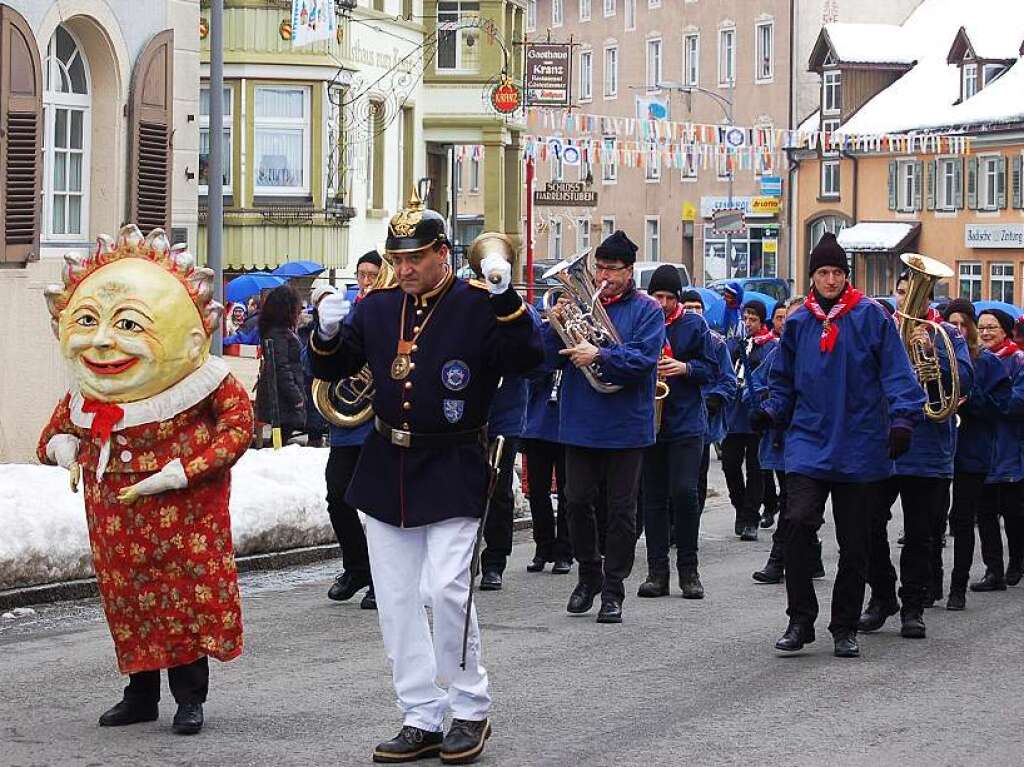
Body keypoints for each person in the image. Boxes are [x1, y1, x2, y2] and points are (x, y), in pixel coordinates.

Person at [310, 201, 543, 765]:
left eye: (415, 257)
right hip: (387, 466)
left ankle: (469, 706)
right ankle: (420, 713)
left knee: (445, 589)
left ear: (443, 253)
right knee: (394, 598)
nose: (405, 268)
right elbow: (333, 368)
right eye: (398, 258)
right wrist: (326, 330)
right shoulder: (381, 305)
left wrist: (509, 300)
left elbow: (530, 358)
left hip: (456, 464)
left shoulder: (476, 305)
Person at [37, 225, 253, 735]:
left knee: (182, 597)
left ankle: (189, 696)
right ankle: (139, 693)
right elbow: (53, 433)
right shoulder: (87, 396)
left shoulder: (205, 382)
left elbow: (239, 428)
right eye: (87, 321)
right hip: (112, 513)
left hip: (182, 512)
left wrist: (183, 471)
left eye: (129, 324)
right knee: (127, 600)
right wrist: (68, 450)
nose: (104, 340)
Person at [756, 233, 924, 659]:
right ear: (813, 276)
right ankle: (799, 620)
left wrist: (903, 418)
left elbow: (897, 373)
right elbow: (783, 378)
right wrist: (772, 411)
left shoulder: (872, 317)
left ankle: (844, 625)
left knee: (856, 541)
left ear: (845, 276)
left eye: (837, 272)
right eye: (823, 272)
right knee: (795, 524)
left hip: (860, 443)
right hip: (810, 440)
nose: (830, 280)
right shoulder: (797, 322)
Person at [544, 230, 664, 624]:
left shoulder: (647, 310)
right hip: (581, 422)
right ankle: (588, 573)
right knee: (576, 501)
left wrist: (601, 353)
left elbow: (644, 359)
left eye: (612, 269)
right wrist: (555, 323)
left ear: (629, 272)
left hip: (627, 426)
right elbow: (548, 358)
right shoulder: (580, 303)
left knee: (621, 511)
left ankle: (614, 589)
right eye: (599, 268)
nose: (603, 276)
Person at [859, 269, 973, 640]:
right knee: (868, 524)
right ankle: (882, 594)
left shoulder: (948, 335)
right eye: (902, 292)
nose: (907, 302)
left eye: (916, 295)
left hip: (929, 450)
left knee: (921, 535)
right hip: (885, 445)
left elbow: (965, 379)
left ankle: (913, 606)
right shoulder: (880, 329)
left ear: (928, 300)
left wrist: (933, 358)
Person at [636, 266, 717, 599]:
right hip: (650, 423)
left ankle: (689, 570)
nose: (664, 303)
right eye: (658, 297)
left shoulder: (694, 325)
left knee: (684, 493)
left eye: (670, 297)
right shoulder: (644, 322)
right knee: (652, 498)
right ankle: (657, 573)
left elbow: (712, 369)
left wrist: (685, 368)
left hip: (686, 423)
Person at [317, 254, 382, 609]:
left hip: (374, 426)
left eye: (373, 274)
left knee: (374, 503)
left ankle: (379, 578)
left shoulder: (383, 311)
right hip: (346, 425)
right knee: (337, 497)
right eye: (362, 274)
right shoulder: (347, 308)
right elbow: (317, 360)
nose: (367, 280)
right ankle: (358, 566)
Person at [751, 298, 825, 585]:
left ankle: (779, 559)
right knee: (792, 501)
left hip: (809, 434)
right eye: (786, 319)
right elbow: (759, 385)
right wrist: (763, 406)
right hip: (783, 436)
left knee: (795, 502)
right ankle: (803, 556)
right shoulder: (776, 353)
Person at [942, 301, 1007, 610]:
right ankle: (929, 583)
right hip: (939, 450)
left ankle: (958, 587)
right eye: (950, 323)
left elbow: (999, 409)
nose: (957, 329)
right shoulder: (937, 357)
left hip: (972, 450)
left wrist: (969, 398)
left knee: (963, 520)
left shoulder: (989, 363)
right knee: (931, 521)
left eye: (962, 323)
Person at [971, 309, 1024, 593]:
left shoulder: (1018, 361)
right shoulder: (975, 359)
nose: (986, 332)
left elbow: (1015, 405)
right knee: (986, 513)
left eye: (992, 327)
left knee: (1014, 512)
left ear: (1005, 331)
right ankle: (994, 571)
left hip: (1011, 449)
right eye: (982, 327)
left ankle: (1017, 560)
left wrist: (979, 401)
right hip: (982, 451)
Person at [722, 299, 778, 541]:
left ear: (762, 321)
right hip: (734, 416)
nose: (748, 323)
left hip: (755, 415)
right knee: (730, 464)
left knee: (756, 469)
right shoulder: (737, 343)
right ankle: (739, 506)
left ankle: (751, 517)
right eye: (746, 319)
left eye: (753, 319)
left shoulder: (769, 347)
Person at [681, 291, 738, 515]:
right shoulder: (667, 334)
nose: (694, 312)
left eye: (697, 307)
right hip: (672, 420)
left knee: (696, 480)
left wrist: (714, 399)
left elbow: (728, 380)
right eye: (688, 307)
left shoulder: (715, 342)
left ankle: (689, 526)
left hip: (702, 423)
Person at [521, 369, 572, 574]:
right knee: (537, 492)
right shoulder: (540, 339)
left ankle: (565, 551)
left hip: (567, 426)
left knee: (568, 493)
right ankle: (543, 547)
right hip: (537, 425)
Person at [255, 285, 307, 446]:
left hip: (281, 394)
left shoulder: (277, 331)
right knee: (281, 438)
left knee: (281, 437)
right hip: (282, 396)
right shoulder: (279, 334)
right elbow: (282, 367)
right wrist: (296, 396)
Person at [300, 284, 340, 448]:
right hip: (315, 382)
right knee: (315, 413)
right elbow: (304, 361)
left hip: (338, 383)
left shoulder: (346, 326)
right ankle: (315, 440)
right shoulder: (308, 330)